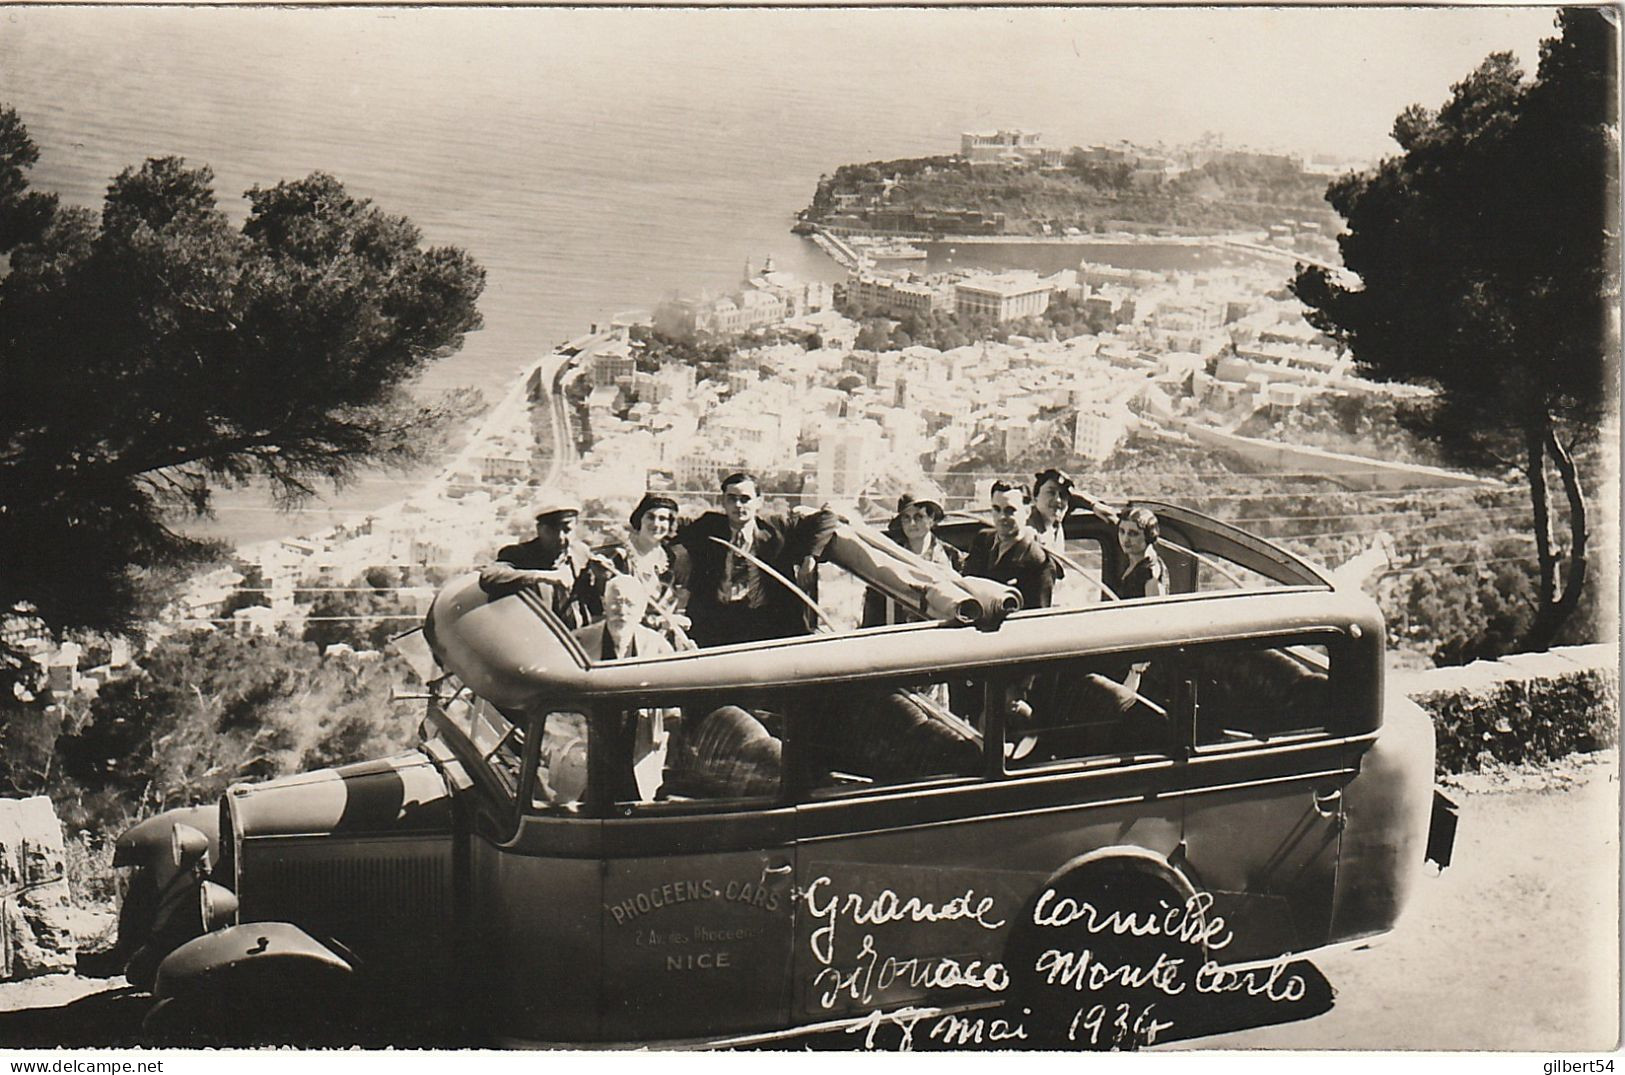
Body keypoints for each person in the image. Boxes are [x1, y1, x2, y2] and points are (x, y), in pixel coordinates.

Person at [673, 472, 838, 648]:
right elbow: (665, 523)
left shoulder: (777, 528)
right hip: (717, 623)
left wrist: (810, 557)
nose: (738, 505)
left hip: (764, 623)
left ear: (759, 501)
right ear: (723, 501)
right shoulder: (709, 525)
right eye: (732, 499)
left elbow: (827, 517)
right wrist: (680, 554)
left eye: (745, 499)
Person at [573, 574, 675, 802]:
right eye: (616, 601)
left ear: (641, 609)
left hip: (639, 753)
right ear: (604, 603)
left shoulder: (658, 647)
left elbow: (672, 713)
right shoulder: (579, 642)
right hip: (589, 753)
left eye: (629, 603)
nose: (622, 609)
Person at [590, 492, 693, 647]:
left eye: (663, 519)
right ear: (640, 519)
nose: (656, 524)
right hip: (625, 640)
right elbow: (606, 607)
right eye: (650, 517)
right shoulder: (618, 557)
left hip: (662, 642)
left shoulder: (676, 558)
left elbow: (680, 602)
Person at [478, 497, 595, 627]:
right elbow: (489, 577)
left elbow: (592, 600)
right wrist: (543, 576)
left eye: (567, 530)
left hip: (576, 640)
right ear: (539, 529)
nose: (561, 538)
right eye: (552, 531)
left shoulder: (580, 552)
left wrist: (601, 578)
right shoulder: (519, 554)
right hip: (538, 637)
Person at [861, 486, 965, 627]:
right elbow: (874, 610)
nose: (912, 524)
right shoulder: (890, 558)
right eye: (906, 518)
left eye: (918, 517)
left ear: (931, 518)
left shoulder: (952, 557)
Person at [963, 479, 1055, 611]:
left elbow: (1036, 620)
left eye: (1010, 510)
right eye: (996, 509)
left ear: (1027, 512)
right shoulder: (982, 541)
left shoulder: (1038, 562)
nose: (1001, 517)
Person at [1108, 506, 1167, 600]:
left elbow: (1155, 611)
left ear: (1149, 535)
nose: (1125, 539)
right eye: (1122, 531)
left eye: (1133, 534)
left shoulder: (1151, 574)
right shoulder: (1135, 562)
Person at [1029, 467, 1074, 558]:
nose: (1058, 500)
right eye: (1051, 492)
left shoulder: (1055, 525)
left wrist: (1093, 505)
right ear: (1035, 498)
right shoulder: (1026, 532)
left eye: (1063, 495)